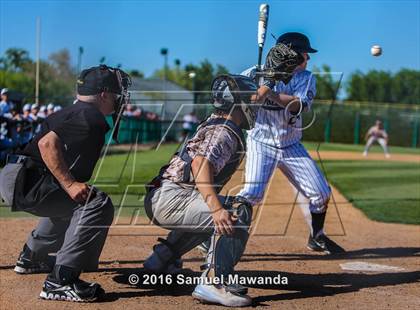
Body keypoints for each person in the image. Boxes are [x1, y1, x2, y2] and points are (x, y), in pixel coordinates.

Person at [0, 65, 131, 302]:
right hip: (25, 179)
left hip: (16, 175)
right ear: (103, 94)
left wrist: (68, 187)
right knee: (96, 202)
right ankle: (61, 281)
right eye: (115, 93)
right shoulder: (90, 115)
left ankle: (31, 258)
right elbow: (47, 144)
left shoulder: (74, 111)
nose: (118, 98)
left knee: (71, 200)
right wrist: (70, 184)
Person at [142, 74, 274, 307]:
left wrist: (270, 82)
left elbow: (245, 98)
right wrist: (216, 208)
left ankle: (161, 259)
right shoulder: (225, 131)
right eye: (250, 101)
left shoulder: (216, 120)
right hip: (173, 200)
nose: (254, 105)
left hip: (164, 196)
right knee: (235, 210)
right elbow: (200, 164)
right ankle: (214, 283)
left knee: (210, 211)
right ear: (239, 103)